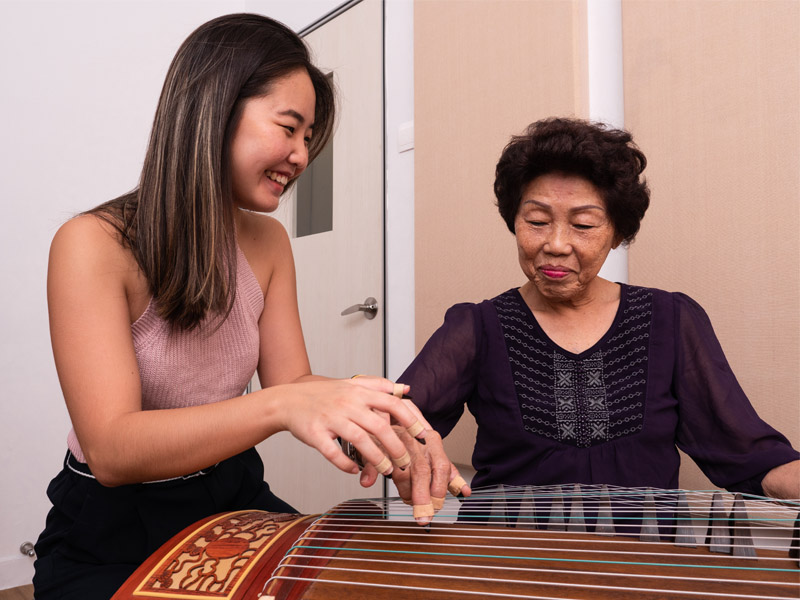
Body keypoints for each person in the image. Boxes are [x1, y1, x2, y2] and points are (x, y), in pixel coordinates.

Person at [34, 14, 465, 599]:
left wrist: (383, 420)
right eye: (289, 128)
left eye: (309, 137)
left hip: (229, 490)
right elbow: (113, 448)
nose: (301, 155)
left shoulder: (268, 242)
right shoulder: (92, 243)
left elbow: (295, 381)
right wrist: (284, 404)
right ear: (214, 110)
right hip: (111, 521)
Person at [399, 117, 799, 499]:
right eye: (537, 221)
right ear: (513, 222)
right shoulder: (477, 327)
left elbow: (749, 454)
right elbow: (387, 426)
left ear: (617, 234)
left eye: (584, 225)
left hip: (639, 561)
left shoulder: (670, 320)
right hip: (514, 559)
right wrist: (402, 446)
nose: (556, 244)